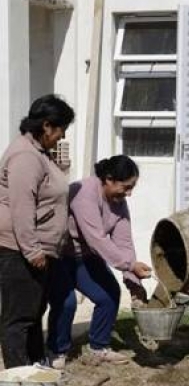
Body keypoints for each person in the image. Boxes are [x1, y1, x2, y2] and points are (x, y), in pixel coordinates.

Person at [46, 155, 153, 368]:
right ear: (109, 179)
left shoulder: (119, 202)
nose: (129, 193)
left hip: (85, 257)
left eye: (132, 188)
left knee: (109, 295)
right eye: (126, 187)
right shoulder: (84, 193)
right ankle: (57, 350)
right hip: (58, 254)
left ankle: (99, 347)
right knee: (66, 303)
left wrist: (133, 282)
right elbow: (96, 239)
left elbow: (124, 242)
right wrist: (130, 265)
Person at [0, 94, 74, 368]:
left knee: (32, 313)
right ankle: (19, 378)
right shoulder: (25, 155)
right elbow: (21, 206)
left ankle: (35, 366)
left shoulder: (39, 153)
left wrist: (60, 166)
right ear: (46, 126)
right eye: (61, 128)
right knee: (18, 318)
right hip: (20, 249)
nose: (62, 135)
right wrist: (32, 250)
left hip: (36, 248)